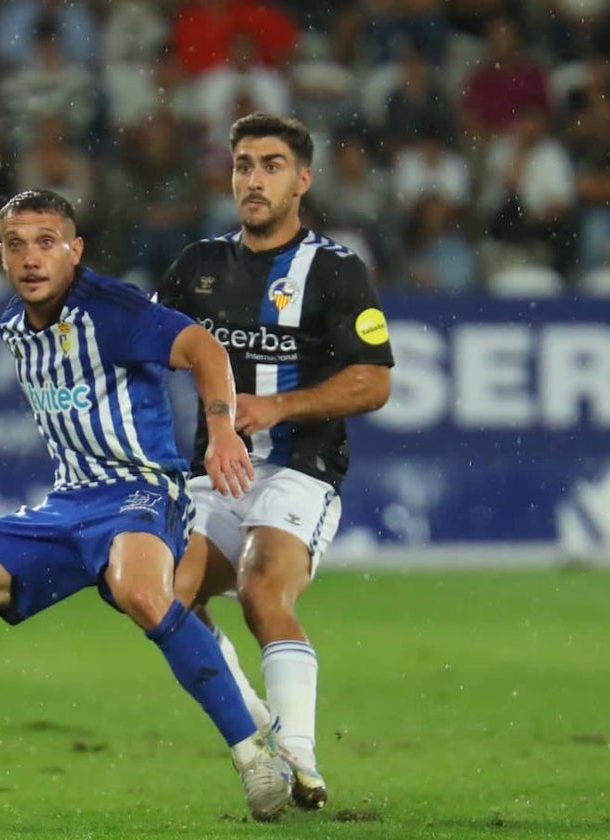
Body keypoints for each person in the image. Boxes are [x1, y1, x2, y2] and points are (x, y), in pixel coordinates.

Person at [0, 189, 296, 824]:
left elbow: (203, 349)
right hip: (67, 506)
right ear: (0, 254)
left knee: (142, 591)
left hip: (142, 491)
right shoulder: (14, 326)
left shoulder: (111, 310)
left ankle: (255, 755)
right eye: (16, 245)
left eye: (47, 243)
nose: (31, 258)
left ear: (74, 250)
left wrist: (221, 428)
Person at [156, 113, 394, 811]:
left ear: (302, 180)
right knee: (163, 597)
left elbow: (374, 381)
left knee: (263, 593)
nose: (252, 180)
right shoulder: (198, 267)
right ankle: (256, 715)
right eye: (242, 166)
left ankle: (300, 761)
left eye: (270, 165)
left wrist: (280, 407)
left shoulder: (337, 271)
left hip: (300, 471)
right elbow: (147, 349)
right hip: (212, 475)